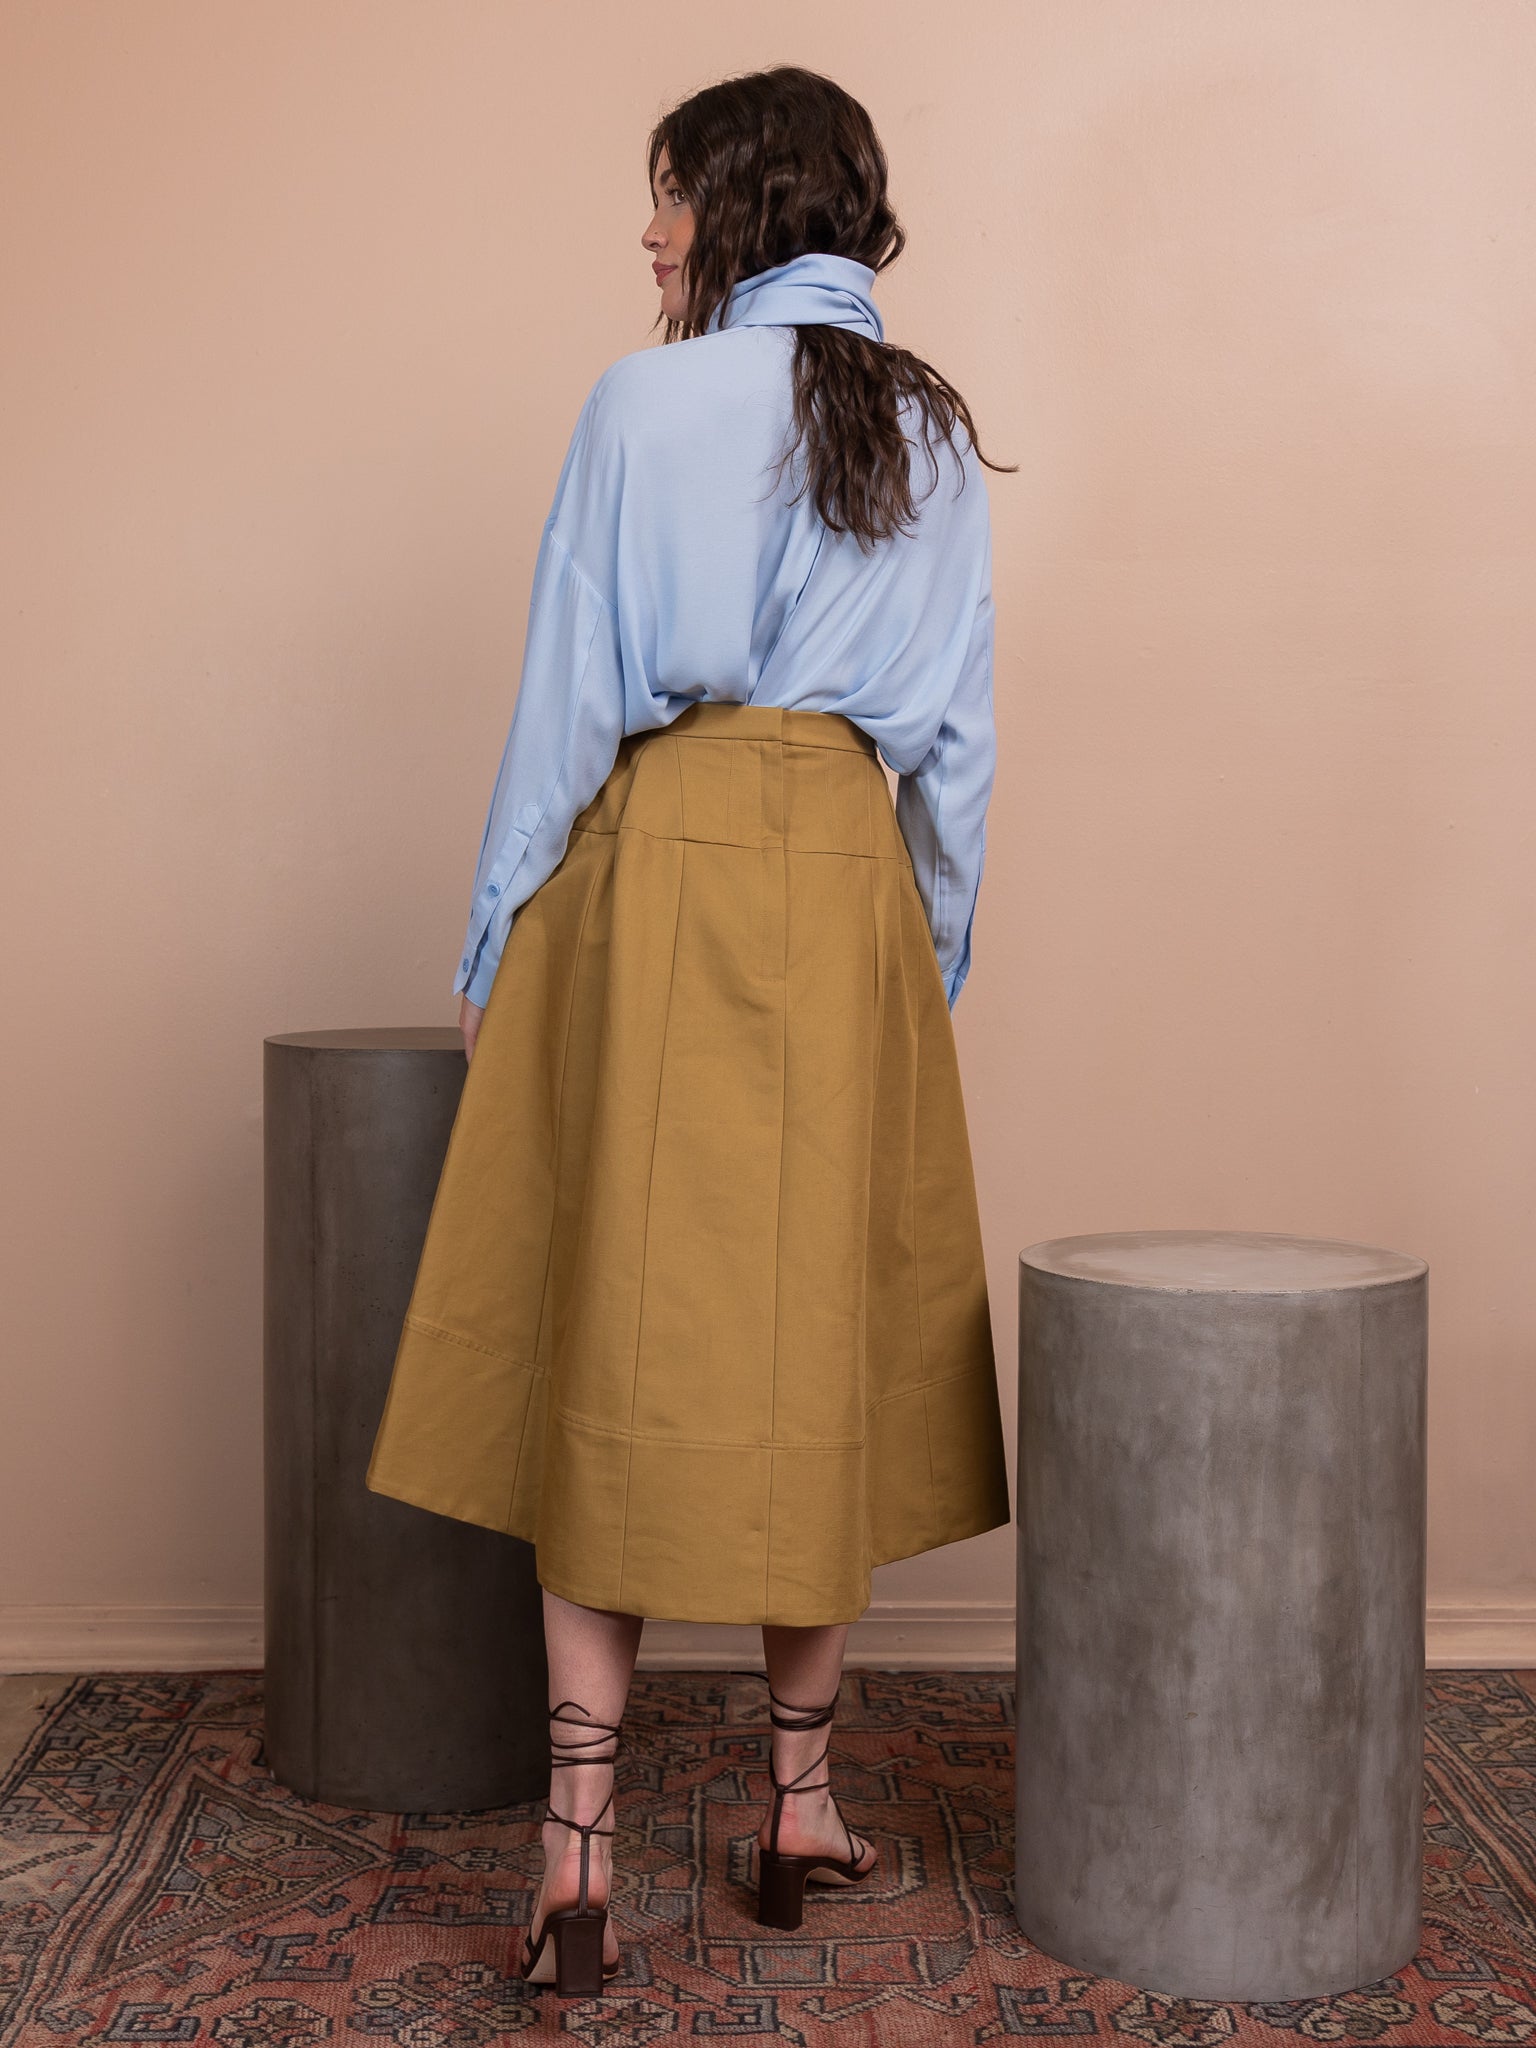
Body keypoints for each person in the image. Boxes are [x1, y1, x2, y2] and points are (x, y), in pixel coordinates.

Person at [365, 63, 1015, 1998]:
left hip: (657, 870)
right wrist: (926, 957)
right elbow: (957, 741)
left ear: (738, 204)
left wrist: (495, 926)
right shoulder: (928, 424)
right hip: (845, 877)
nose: (648, 235)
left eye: (667, 197)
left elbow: (571, 690)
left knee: (613, 1323)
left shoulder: (644, 405)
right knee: (818, 1331)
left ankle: (578, 1850)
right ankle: (799, 1808)